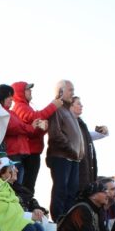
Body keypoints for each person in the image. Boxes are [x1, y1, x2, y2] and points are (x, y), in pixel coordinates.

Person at [9, 81, 61, 195]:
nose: (30, 91)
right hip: (29, 153)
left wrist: (44, 127)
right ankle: (25, 205)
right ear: (20, 93)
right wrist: (53, 105)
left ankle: (27, 203)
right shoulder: (20, 107)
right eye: (27, 89)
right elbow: (35, 117)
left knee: (28, 187)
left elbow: (33, 131)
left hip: (32, 152)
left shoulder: (25, 107)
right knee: (27, 187)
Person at [46, 80, 84, 219]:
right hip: (61, 157)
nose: (73, 93)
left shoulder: (68, 111)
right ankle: (58, 220)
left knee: (71, 192)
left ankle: (67, 221)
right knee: (61, 190)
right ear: (60, 91)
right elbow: (55, 133)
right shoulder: (56, 108)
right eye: (70, 90)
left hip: (73, 158)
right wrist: (71, 149)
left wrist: (78, 152)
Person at [71, 96, 108, 191]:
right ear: (70, 106)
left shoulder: (80, 123)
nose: (81, 106)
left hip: (84, 164)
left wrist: (103, 132)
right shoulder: (68, 122)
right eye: (78, 103)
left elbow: (87, 136)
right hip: (74, 164)